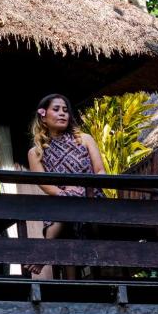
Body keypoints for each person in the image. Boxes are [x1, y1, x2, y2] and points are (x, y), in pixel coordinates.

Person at [26, 93, 106, 279]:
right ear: (43, 116)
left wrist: (85, 187)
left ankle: (43, 253)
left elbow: (100, 171)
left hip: (92, 198)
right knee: (65, 205)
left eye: (65, 110)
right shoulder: (36, 151)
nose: (63, 114)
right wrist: (65, 193)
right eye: (56, 109)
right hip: (61, 201)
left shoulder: (84, 139)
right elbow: (45, 184)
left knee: (67, 206)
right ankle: (72, 285)